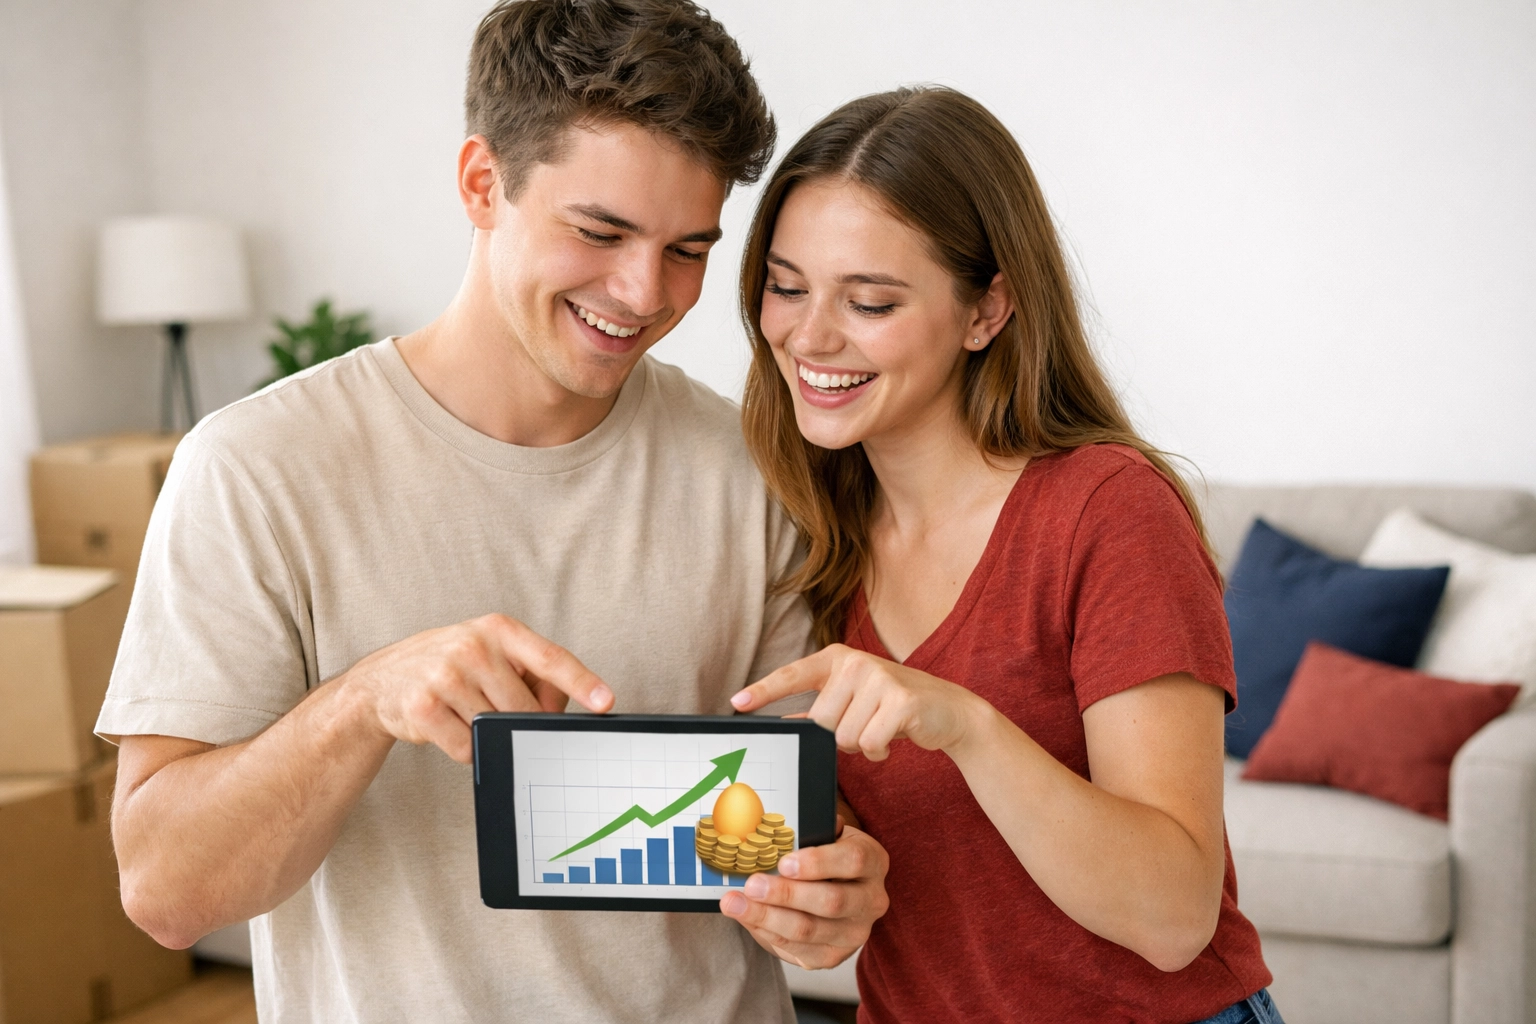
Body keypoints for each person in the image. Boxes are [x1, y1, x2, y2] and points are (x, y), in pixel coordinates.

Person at [98, 3, 888, 1022]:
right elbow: (167, 892)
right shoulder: (255, 469)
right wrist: (367, 698)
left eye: (688, 247)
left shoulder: (755, 466)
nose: (645, 292)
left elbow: (803, 814)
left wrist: (830, 891)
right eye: (599, 231)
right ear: (482, 183)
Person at [727, 87, 1282, 1024]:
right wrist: (817, 899)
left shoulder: (1105, 511)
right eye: (786, 286)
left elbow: (1173, 915)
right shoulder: (808, 529)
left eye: (869, 301)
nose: (810, 337)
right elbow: (888, 871)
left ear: (987, 310)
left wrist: (968, 726)